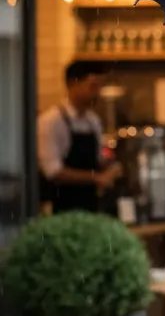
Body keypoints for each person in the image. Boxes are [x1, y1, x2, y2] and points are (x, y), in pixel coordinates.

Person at [37, 60, 121, 213]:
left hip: (90, 205)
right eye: (93, 86)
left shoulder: (93, 121)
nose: (98, 92)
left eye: (100, 86)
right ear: (73, 84)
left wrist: (111, 166)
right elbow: (53, 171)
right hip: (60, 207)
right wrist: (96, 177)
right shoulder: (51, 121)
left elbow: (98, 158)